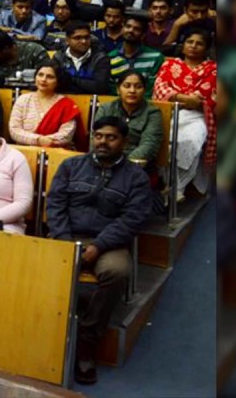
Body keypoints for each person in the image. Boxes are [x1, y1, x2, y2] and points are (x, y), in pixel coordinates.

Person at [46, 116, 152, 385]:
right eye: (99, 136)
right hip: (67, 237)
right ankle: (44, 334)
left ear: (124, 142)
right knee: (38, 264)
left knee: (116, 272)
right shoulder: (71, 166)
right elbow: (55, 206)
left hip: (109, 243)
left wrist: (98, 246)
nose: (103, 141)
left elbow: (132, 219)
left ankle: (87, 341)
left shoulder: (136, 177)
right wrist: (65, 241)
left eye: (111, 137)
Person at [152, 27, 217, 202]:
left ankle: (176, 188)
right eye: (190, 42)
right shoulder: (169, 64)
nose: (194, 46)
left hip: (197, 116)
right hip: (169, 114)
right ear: (183, 45)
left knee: (190, 141)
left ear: (206, 48)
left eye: (199, 43)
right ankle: (171, 186)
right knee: (168, 143)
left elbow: (203, 98)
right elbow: (160, 88)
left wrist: (177, 96)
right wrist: (185, 98)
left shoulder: (213, 69)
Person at [93, 71, 165, 185]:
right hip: (105, 160)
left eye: (138, 87)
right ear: (118, 90)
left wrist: (121, 165)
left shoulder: (153, 113)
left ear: (145, 90)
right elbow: (97, 137)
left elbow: (149, 145)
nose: (132, 91)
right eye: (126, 86)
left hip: (138, 165)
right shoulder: (106, 109)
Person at [9, 64, 82, 149]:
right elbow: (14, 130)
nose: (43, 79)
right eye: (40, 75)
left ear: (58, 81)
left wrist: (48, 141)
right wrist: (38, 140)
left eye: (50, 77)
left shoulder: (66, 104)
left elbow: (66, 134)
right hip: (24, 152)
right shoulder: (23, 100)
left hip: (55, 153)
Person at [108, 15, 165, 97]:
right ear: (122, 29)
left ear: (143, 35)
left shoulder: (155, 57)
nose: (131, 30)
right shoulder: (110, 58)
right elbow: (112, 89)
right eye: (128, 26)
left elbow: (152, 89)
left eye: (136, 29)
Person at [52, 21, 111, 95]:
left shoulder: (100, 58)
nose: (83, 41)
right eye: (77, 38)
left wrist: (71, 79)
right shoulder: (59, 57)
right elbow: (54, 85)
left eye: (86, 37)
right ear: (67, 40)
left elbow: (101, 88)